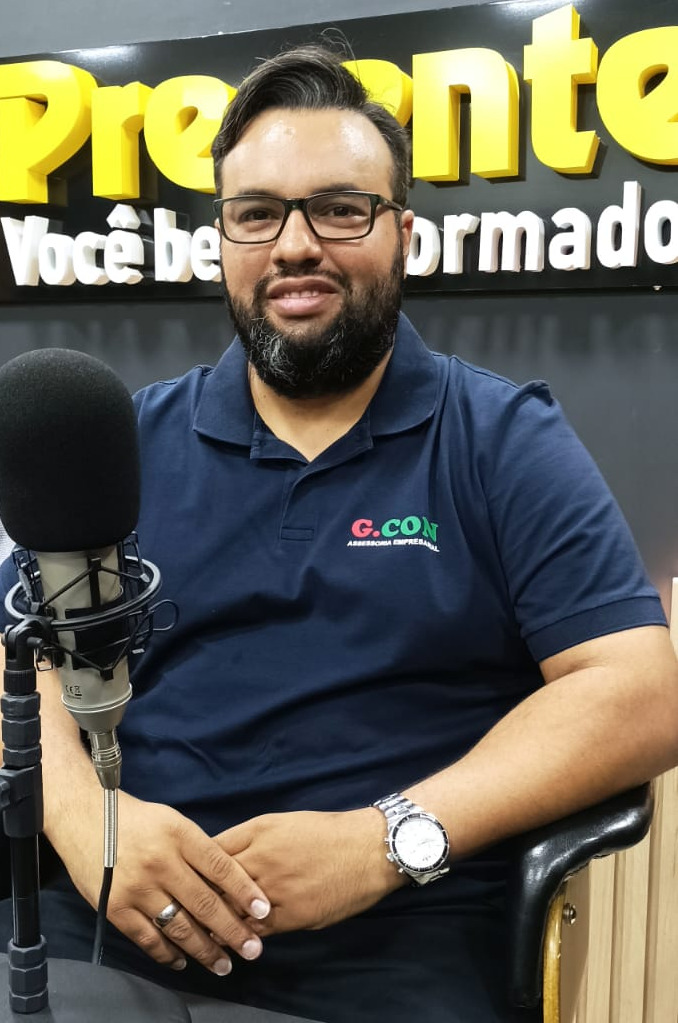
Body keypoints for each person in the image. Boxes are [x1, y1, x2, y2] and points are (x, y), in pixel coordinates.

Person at [1, 43, 678, 1023]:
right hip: (109, 939)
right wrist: (85, 820)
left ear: (402, 234)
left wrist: (384, 839)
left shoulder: (500, 439)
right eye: (257, 213)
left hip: (395, 952)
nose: (295, 245)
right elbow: (16, 654)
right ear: (223, 240)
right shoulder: (134, 440)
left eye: (339, 209)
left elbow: (641, 689)